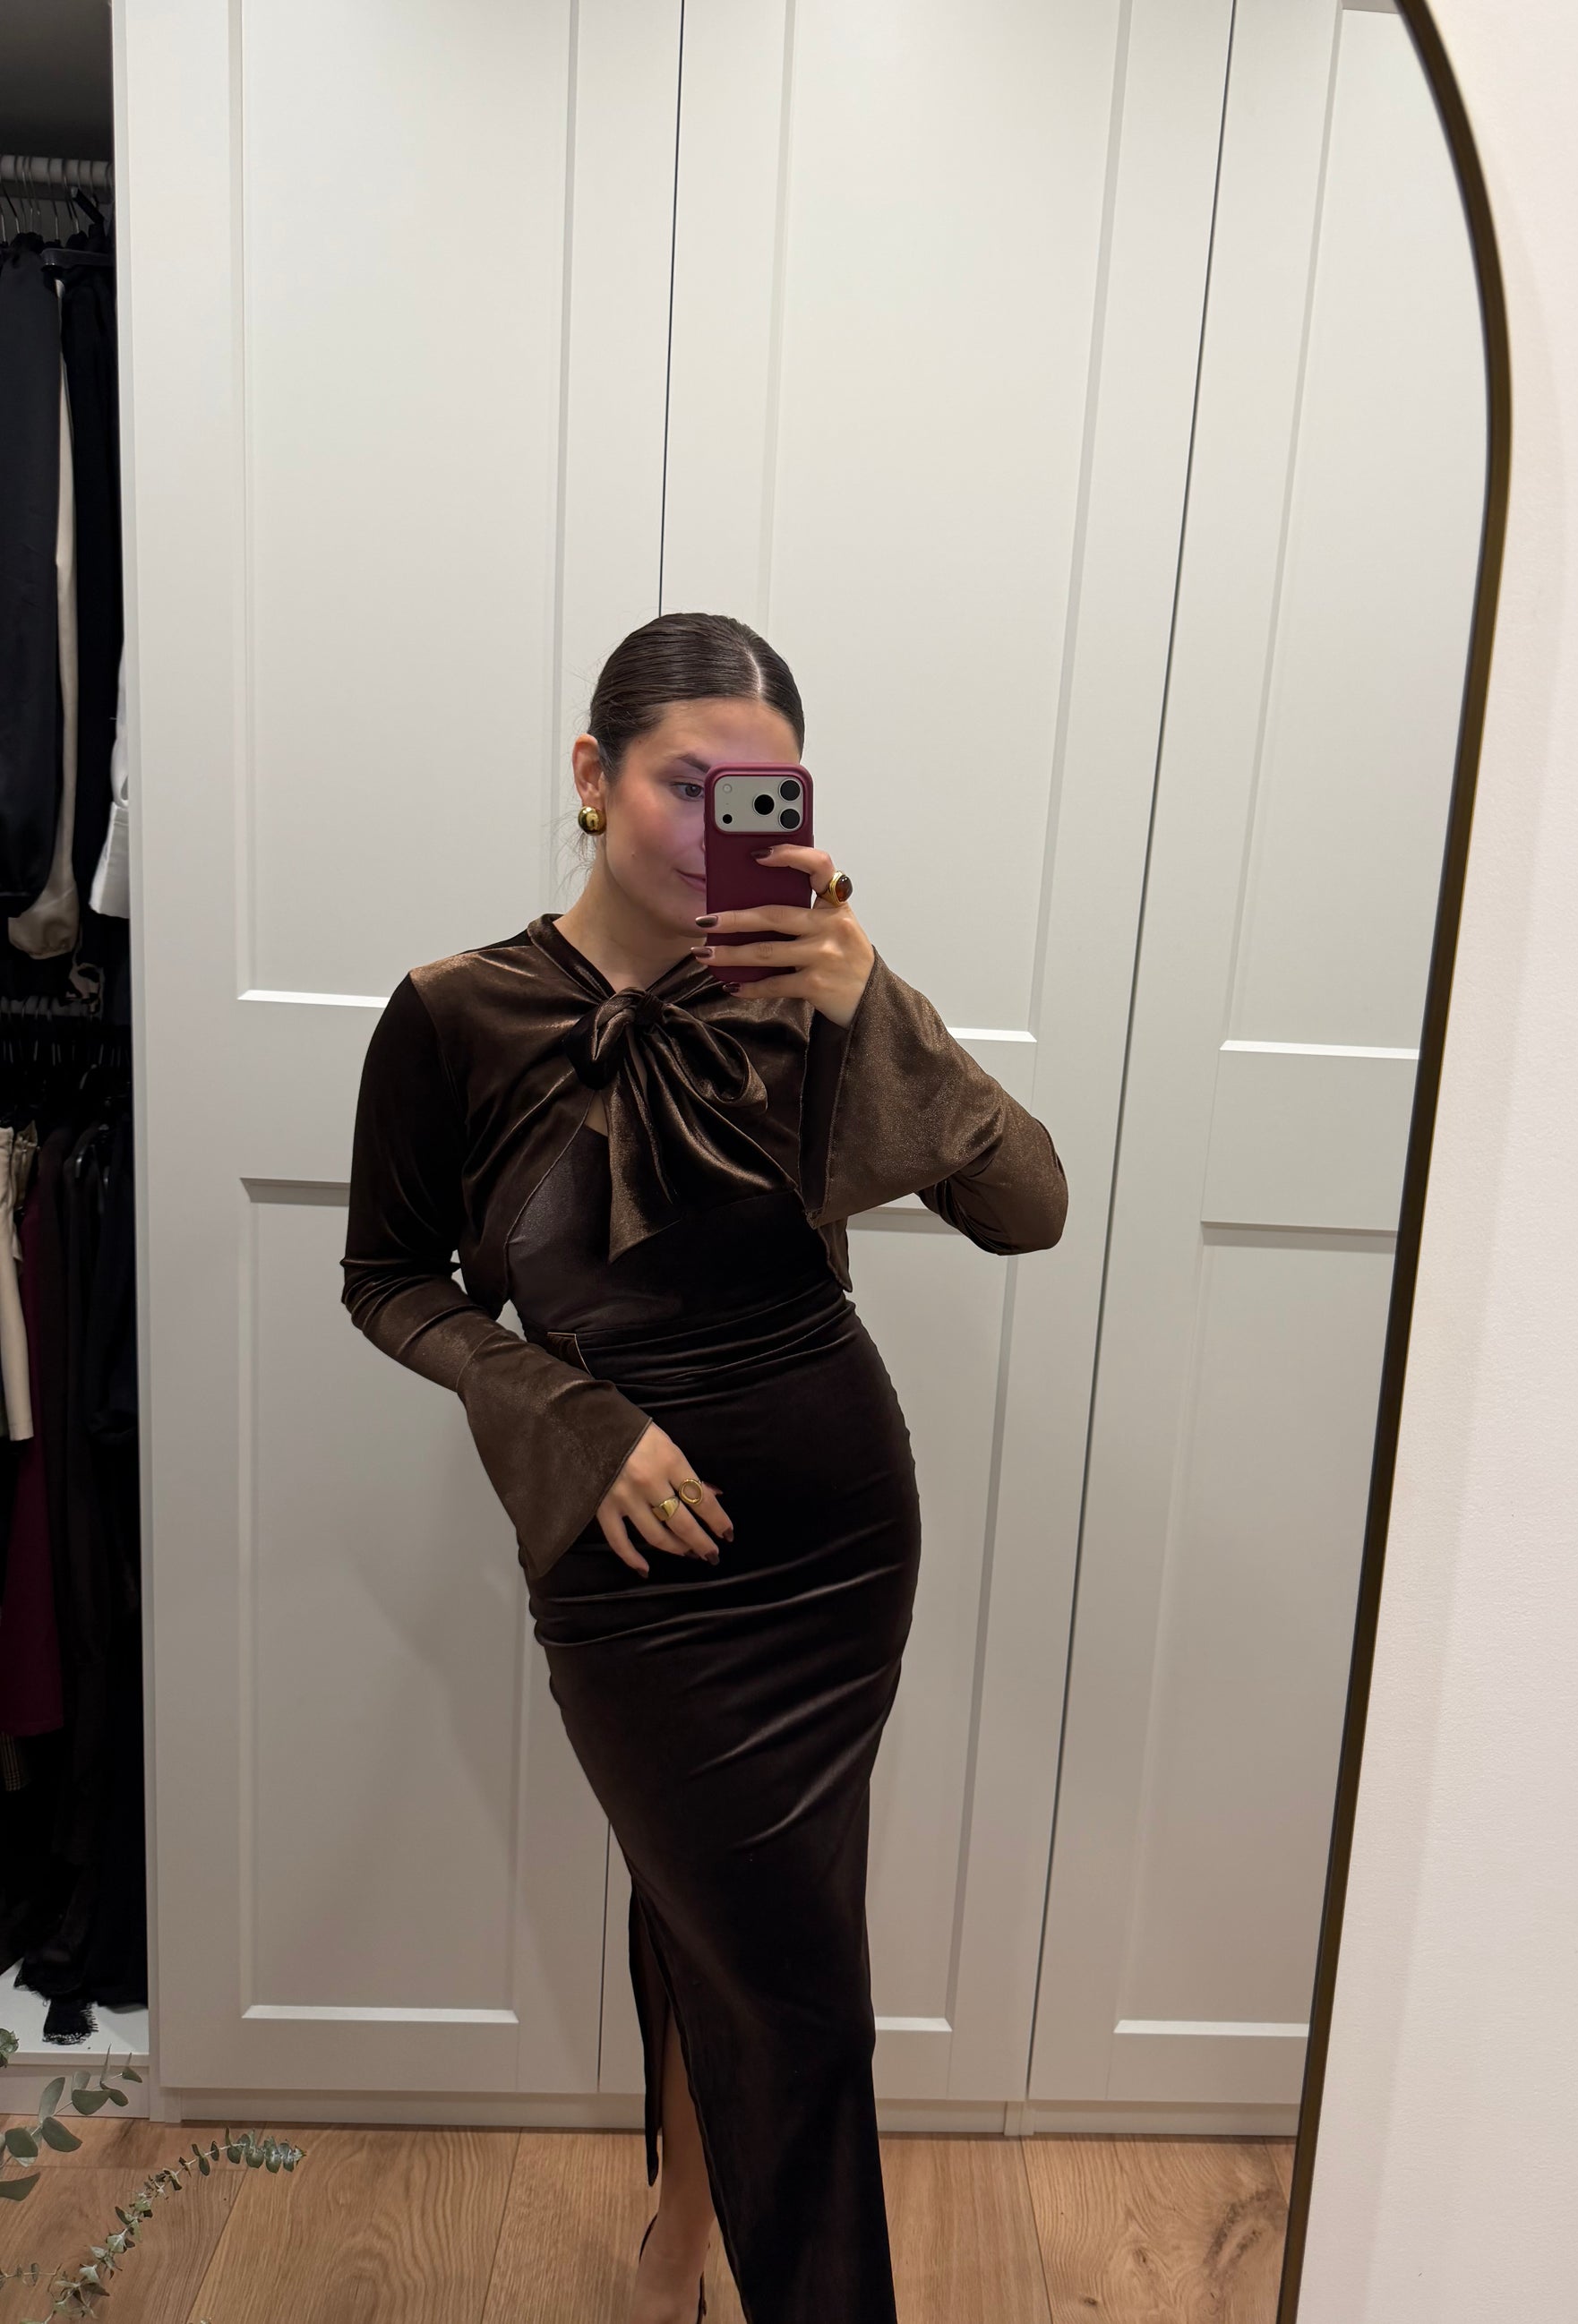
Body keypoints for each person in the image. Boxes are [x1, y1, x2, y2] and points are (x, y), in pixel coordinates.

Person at [339, 611, 1068, 2324]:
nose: (713, 827)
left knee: (757, 1933)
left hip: (836, 1534)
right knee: (791, 1982)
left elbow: (1025, 1209)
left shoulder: (810, 987)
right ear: (592, 777)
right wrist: (565, 1416)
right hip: (625, 1559)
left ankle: (684, 2229)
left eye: (760, 793)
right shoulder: (454, 1013)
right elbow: (389, 1281)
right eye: (685, 783)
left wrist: (876, 1008)